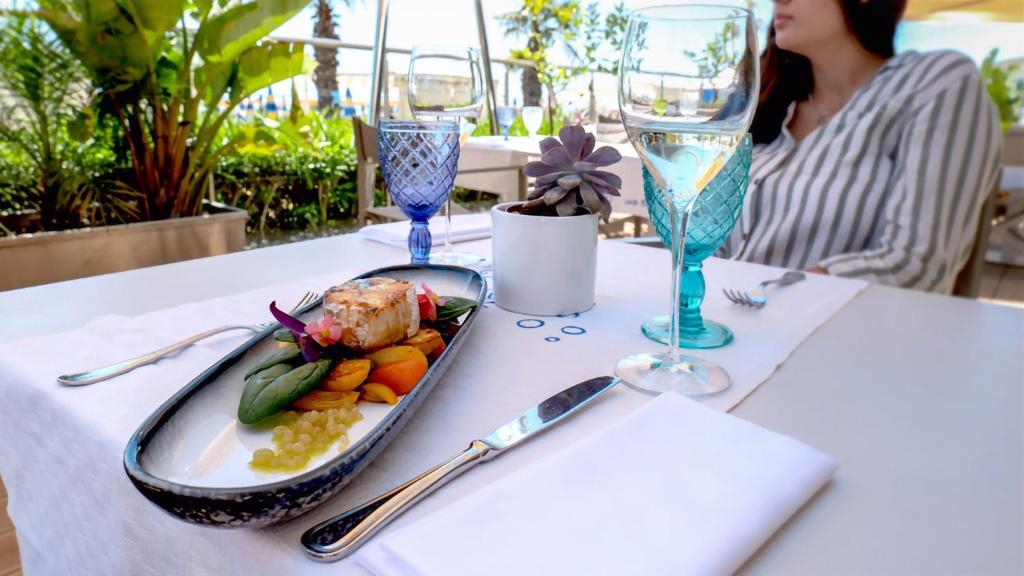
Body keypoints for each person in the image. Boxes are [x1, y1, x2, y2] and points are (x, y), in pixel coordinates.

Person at [722, 0, 1002, 293]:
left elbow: (914, 265)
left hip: (829, 322)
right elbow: (705, 239)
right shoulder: (766, 106)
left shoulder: (935, 84)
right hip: (720, 316)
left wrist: (771, 296)